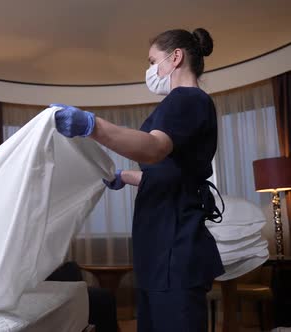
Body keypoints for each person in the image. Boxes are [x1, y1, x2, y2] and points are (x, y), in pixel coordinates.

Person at [51, 28, 224, 331]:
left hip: (173, 245)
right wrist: (124, 176)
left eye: (152, 60)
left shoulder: (185, 99)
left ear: (176, 57)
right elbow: (171, 173)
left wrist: (92, 126)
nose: (149, 70)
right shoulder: (187, 103)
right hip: (164, 244)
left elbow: (155, 149)